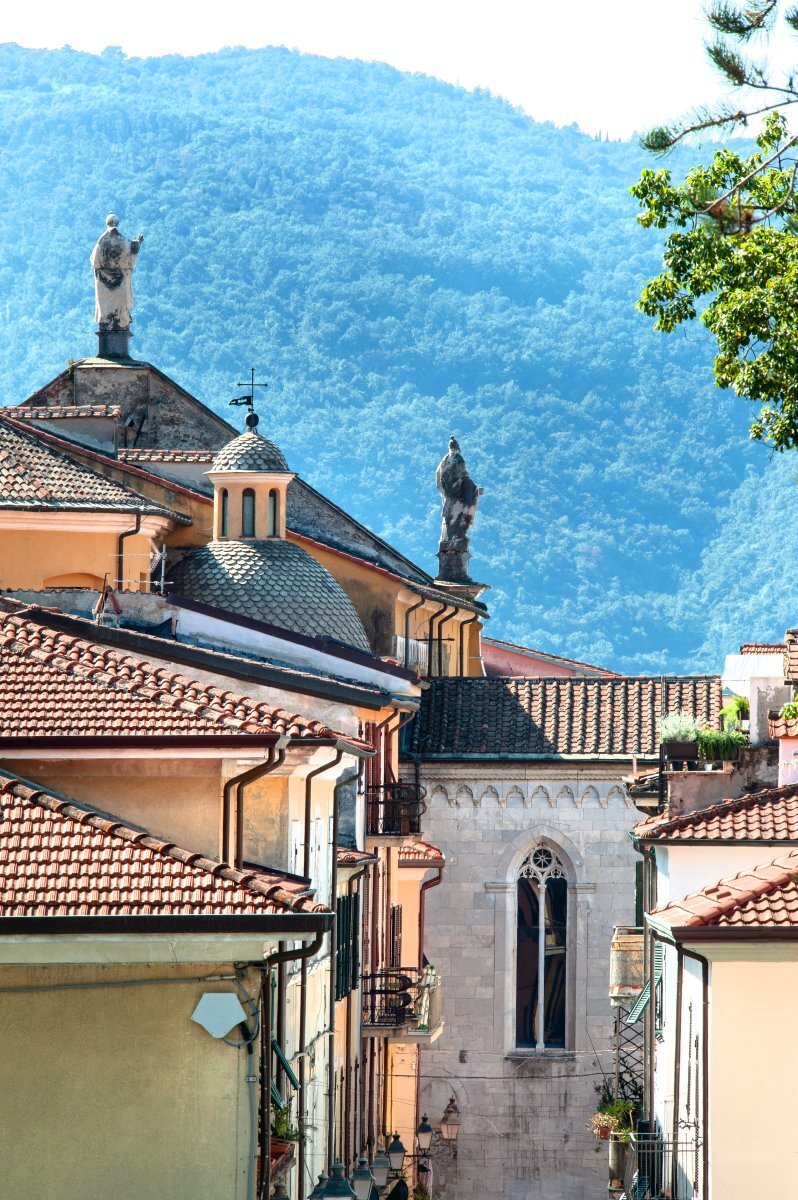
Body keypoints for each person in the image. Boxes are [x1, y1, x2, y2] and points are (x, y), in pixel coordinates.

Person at [90, 213, 143, 329]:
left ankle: (106, 322)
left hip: (104, 285)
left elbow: (94, 262)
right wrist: (137, 244)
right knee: (120, 313)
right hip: (121, 283)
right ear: (117, 223)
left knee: (105, 313)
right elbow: (131, 257)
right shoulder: (124, 241)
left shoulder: (101, 242)